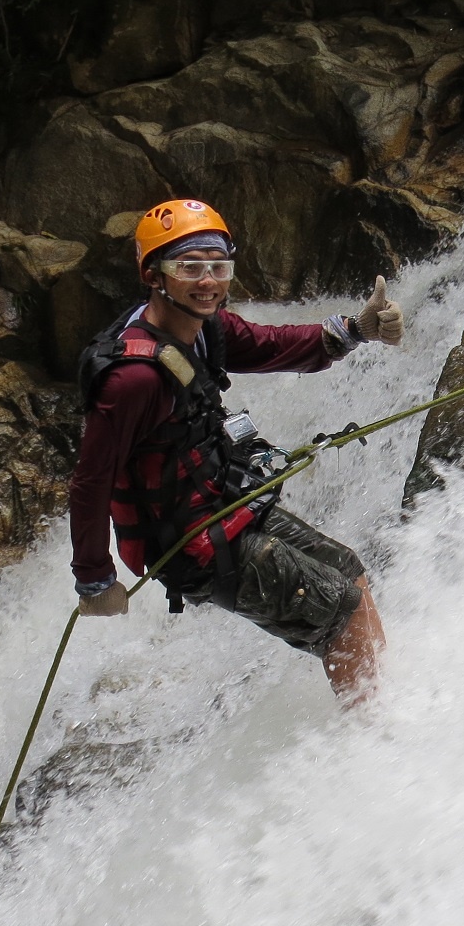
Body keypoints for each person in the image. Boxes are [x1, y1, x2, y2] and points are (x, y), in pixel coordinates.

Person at [68, 198, 404, 701]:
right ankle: (374, 736)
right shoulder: (133, 378)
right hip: (189, 543)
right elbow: (91, 481)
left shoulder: (203, 329)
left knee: (350, 573)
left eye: (218, 267)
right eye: (189, 267)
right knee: (340, 612)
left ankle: (381, 701)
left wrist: (358, 330)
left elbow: (269, 343)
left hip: (225, 500)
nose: (208, 281)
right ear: (154, 275)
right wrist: (94, 579)